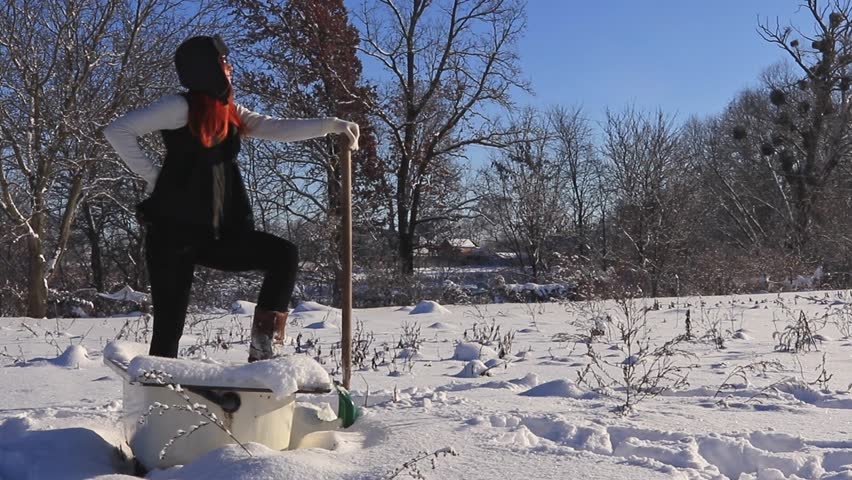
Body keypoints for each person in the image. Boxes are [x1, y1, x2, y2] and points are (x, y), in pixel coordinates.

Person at [104, 35, 359, 361]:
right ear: (206, 68)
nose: (230, 67)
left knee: (283, 256)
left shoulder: (230, 113)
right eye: (224, 61)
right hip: (173, 235)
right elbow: (119, 130)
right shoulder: (179, 108)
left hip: (219, 235)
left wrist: (331, 125)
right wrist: (155, 177)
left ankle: (263, 353)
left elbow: (276, 127)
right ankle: (158, 393)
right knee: (170, 326)